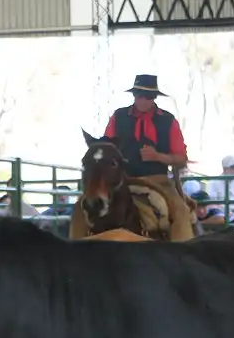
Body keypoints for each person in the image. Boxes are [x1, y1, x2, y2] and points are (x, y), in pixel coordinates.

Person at [73, 73, 195, 241]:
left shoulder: (168, 120)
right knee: (80, 207)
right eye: (139, 95)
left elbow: (181, 159)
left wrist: (158, 156)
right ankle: (74, 251)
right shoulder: (118, 117)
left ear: (154, 98)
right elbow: (106, 147)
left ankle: (183, 254)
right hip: (122, 179)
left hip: (158, 180)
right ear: (134, 95)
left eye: (148, 96)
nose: (143, 100)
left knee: (180, 212)